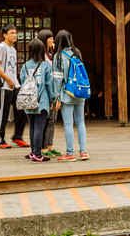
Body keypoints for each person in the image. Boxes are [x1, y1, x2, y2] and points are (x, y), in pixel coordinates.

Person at [52, 30, 88, 162]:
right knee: (80, 122)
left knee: (68, 124)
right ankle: (83, 151)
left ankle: (70, 153)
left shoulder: (58, 57)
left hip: (66, 94)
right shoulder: (77, 52)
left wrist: (55, 97)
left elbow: (57, 79)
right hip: (79, 93)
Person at [0, 24, 29, 149]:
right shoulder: (1, 47)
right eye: (11, 33)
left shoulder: (12, 49)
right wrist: (7, 79)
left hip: (15, 84)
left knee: (22, 109)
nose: (15, 35)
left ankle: (17, 137)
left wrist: (14, 80)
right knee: (4, 112)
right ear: (4, 35)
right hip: (5, 85)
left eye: (15, 32)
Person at [20, 39, 56, 162]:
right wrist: (52, 99)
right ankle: (37, 153)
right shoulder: (45, 65)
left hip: (28, 101)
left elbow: (22, 82)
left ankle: (32, 151)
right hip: (42, 101)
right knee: (39, 128)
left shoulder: (25, 66)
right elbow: (49, 84)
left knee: (32, 127)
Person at [37, 29, 61, 157]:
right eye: (50, 38)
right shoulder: (42, 56)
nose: (53, 40)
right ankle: (43, 147)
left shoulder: (51, 54)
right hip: (46, 91)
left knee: (52, 119)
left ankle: (50, 145)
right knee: (46, 120)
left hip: (53, 90)